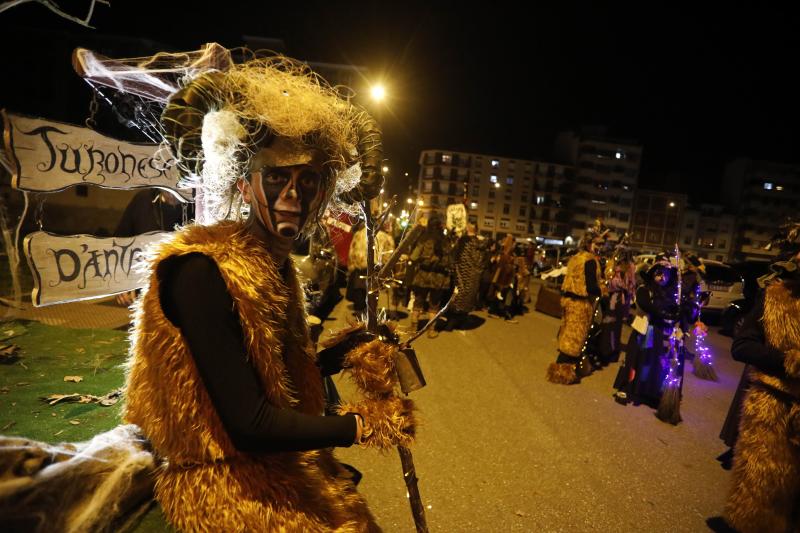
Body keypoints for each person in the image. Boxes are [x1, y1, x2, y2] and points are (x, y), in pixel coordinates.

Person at [123, 53, 416, 532]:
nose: (293, 195)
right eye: (277, 177)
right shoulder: (202, 271)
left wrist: (346, 351)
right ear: (246, 183)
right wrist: (361, 424)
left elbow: (268, 373)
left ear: (323, 194)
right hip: (219, 479)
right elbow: (250, 422)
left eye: (308, 181)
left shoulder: (277, 270)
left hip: (278, 465)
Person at [724, 224, 800, 533]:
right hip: (773, 411)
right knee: (763, 503)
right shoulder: (775, 296)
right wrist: (790, 361)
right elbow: (741, 346)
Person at [613, 255, 681, 407]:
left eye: (666, 274)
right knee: (634, 360)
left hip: (658, 334)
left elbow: (676, 313)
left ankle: (647, 391)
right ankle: (626, 388)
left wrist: (678, 312)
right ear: (652, 273)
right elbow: (645, 305)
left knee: (653, 363)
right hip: (643, 331)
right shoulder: (644, 289)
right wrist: (665, 313)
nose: (662, 277)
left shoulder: (669, 295)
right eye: (659, 273)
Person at [546, 225, 606, 384]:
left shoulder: (575, 257)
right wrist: (603, 289)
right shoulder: (591, 261)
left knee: (567, 336)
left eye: (601, 245)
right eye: (597, 244)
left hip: (569, 303)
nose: (600, 248)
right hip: (580, 305)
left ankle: (563, 370)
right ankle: (562, 373)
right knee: (574, 340)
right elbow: (592, 287)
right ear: (588, 243)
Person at [114, 189, 188, 305]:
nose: (171, 195)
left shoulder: (200, 203)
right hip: (146, 299)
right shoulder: (142, 201)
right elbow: (119, 243)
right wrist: (122, 281)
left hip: (187, 295)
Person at [408, 214, 450, 337]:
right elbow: (449, 260)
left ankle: (413, 327)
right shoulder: (445, 240)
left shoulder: (424, 238)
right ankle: (431, 330)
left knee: (418, 301)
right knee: (434, 304)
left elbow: (414, 257)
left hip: (423, 276)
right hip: (438, 278)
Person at [598, 237, 636, 366]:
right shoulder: (613, 264)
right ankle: (604, 350)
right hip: (611, 298)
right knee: (607, 325)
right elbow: (608, 279)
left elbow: (630, 285)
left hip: (619, 300)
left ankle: (611, 352)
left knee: (615, 326)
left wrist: (619, 284)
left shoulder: (630, 267)